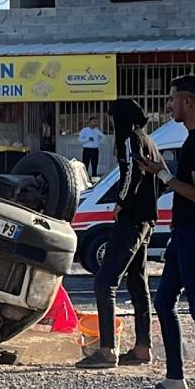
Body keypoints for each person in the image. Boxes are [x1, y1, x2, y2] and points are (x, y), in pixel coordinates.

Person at [137, 74, 195, 389]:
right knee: (164, 303)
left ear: (188, 101)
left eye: (172, 99)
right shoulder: (194, 139)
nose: (168, 105)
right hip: (184, 234)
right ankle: (175, 380)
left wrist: (163, 174)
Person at [76, 99, 158, 370]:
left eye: (113, 119)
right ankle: (142, 348)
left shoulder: (130, 139)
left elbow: (132, 172)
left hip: (132, 218)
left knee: (105, 282)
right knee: (137, 283)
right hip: (147, 218)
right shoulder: (149, 139)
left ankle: (107, 349)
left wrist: (121, 202)